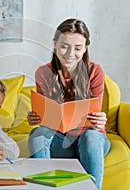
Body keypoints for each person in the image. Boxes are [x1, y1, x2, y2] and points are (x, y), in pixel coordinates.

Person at [27, 18, 111, 190]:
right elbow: (46, 122)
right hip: (60, 141)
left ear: (85, 48)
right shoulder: (43, 72)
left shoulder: (95, 71)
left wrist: (99, 121)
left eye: (78, 48)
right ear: (55, 44)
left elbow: (95, 117)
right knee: (38, 134)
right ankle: (43, 187)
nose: (70, 53)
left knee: (92, 137)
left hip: (89, 140)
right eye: (64, 46)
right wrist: (36, 118)